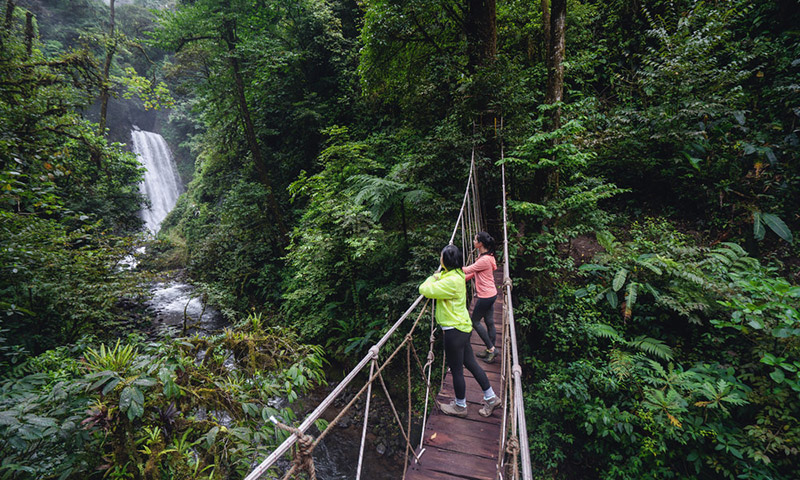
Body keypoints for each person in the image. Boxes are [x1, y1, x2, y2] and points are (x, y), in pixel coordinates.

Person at [419, 244, 500, 418]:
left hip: (454, 331)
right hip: (462, 328)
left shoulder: (449, 282)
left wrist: (433, 278)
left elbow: (424, 289)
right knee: (471, 364)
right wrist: (439, 275)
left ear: (445, 260)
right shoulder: (456, 274)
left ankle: (460, 406)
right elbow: (445, 275)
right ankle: (491, 397)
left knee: (456, 370)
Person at [462, 232, 498, 363]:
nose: (473, 241)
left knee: (475, 322)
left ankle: (492, 349)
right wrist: (463, 280)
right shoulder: (487, 256)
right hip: (491, 294)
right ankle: (490, 350)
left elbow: (467, 269)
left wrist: (448, 268)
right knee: (489, 322)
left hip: (485, 296)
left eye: (475, 239)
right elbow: (473, 273)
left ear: (480, 243)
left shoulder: (484, 260)